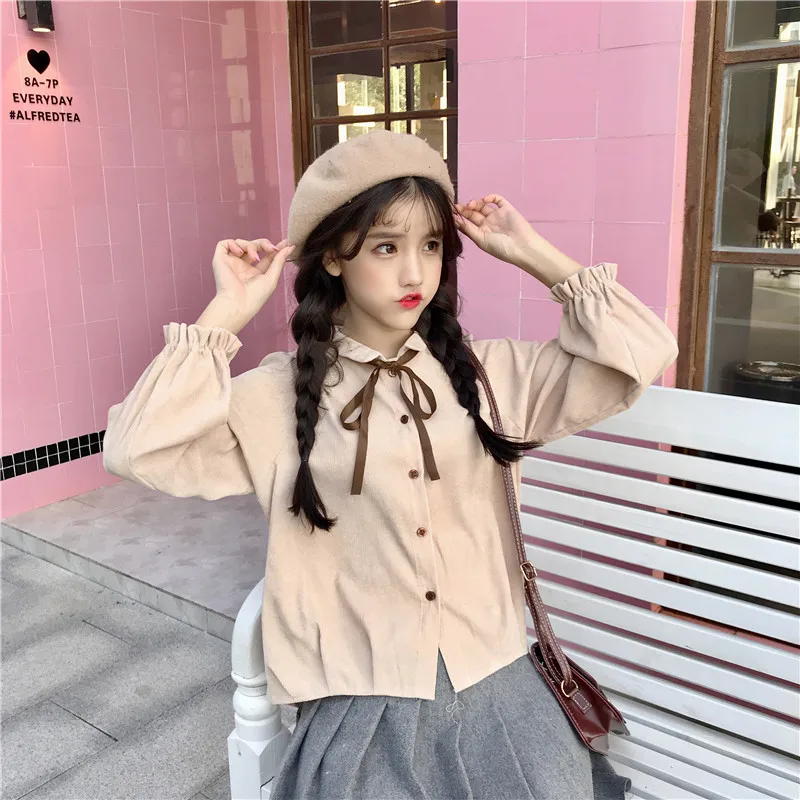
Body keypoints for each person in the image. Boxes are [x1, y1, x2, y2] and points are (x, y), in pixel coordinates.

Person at [103, 130, 678, 799]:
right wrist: (225, 312)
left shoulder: (490, 375)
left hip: (497, 686)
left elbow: (642, 353)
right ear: (334, 257)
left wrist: (533, 254)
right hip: (363, 702)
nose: (415, 274)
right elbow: (137, 447)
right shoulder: (277, 396)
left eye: (431, 245)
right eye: (386, 246)